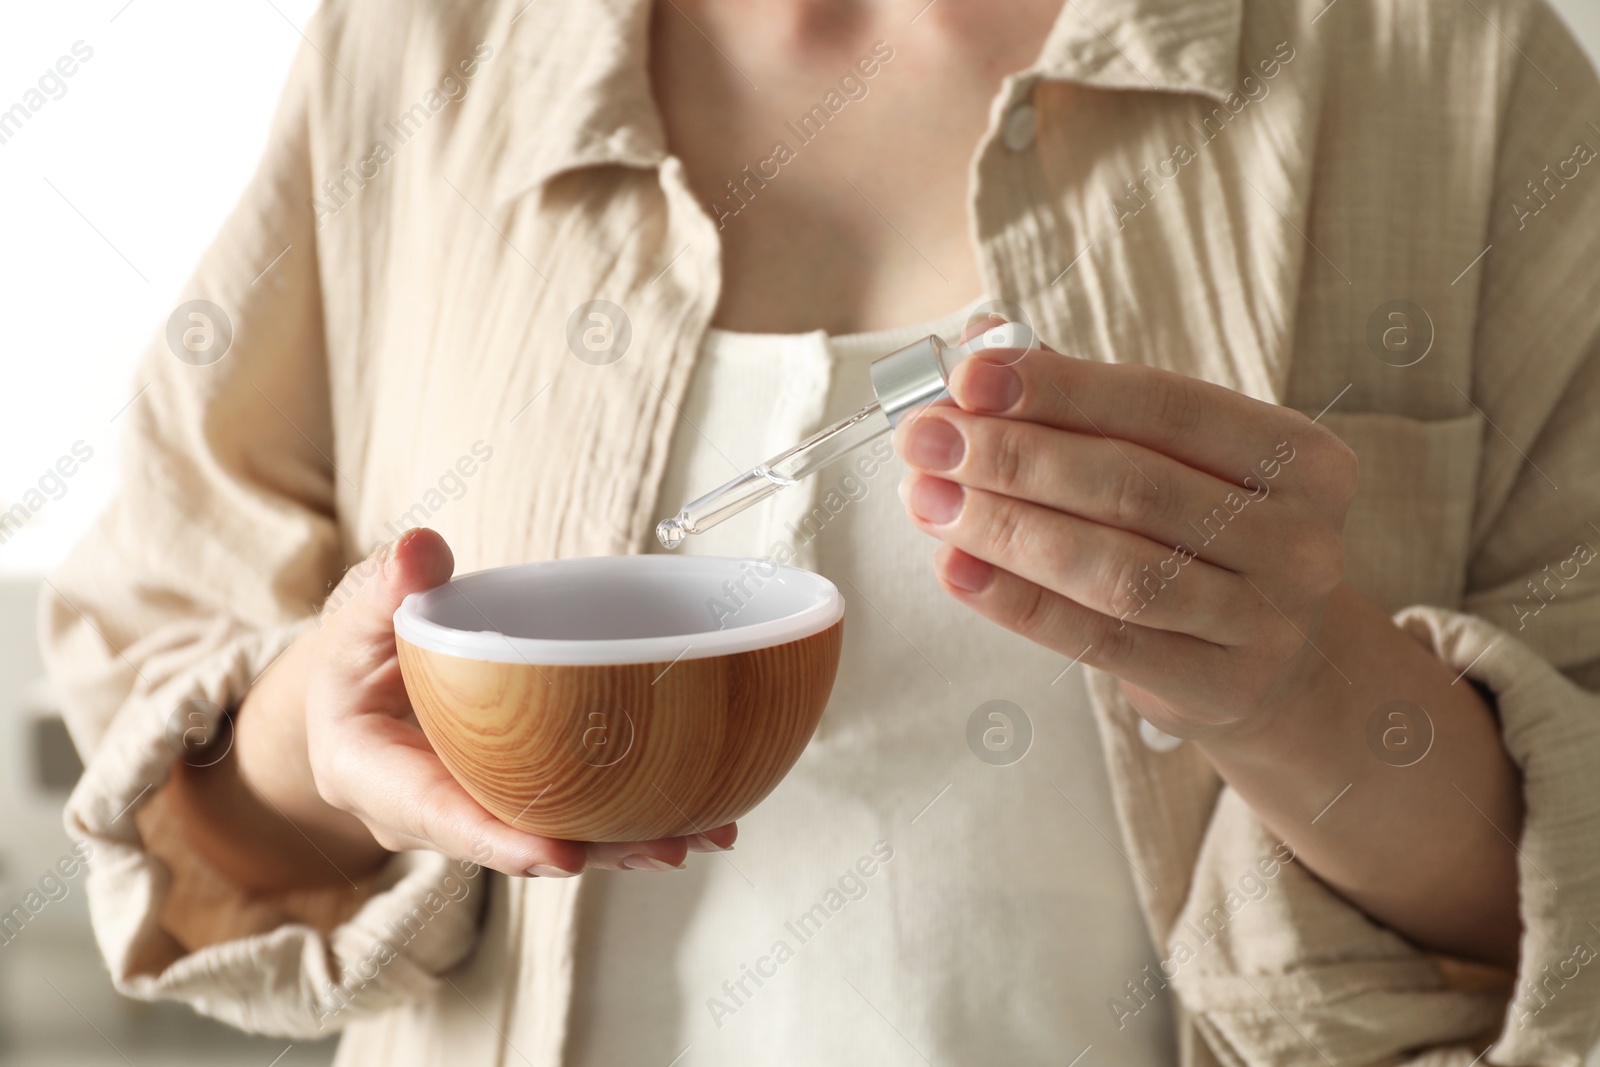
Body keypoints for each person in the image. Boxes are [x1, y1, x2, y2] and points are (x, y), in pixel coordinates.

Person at [40, 0, 1600, 1063]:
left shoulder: (1445, 63)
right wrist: (327, 739)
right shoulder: (427, 49)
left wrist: (1313, 690)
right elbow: (175, 788)